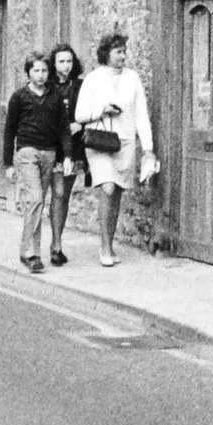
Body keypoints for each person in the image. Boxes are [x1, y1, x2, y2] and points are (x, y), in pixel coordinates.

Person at [72, 30, 156, 268]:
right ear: (106, 54)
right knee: (108, 188)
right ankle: (105, 247)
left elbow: (141, 115)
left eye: (124, 51)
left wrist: (148, 148)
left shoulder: (133, 78)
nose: (123, 56)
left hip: (124, 142)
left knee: (117, 192)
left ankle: (109, 242)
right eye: (118, 52)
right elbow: (80, 114)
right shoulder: (93, 79)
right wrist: (102, 110)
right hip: (99, 141)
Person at [1, 52, 64, 273]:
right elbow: (9, 130)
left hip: (49, 153)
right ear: (28, 73)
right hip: (27, 152)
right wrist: (8, 163)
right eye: (36, 70)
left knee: (37, 203)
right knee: (35, 198)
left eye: (44, 71)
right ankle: (31, 253)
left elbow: (63, 129)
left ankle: (28, 249)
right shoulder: (19, 97)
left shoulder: (55, 97)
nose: (40, 75)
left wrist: (64, 158)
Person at [45, 43, 85, 267]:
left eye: (69, 61)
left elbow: (89, 110)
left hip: (73, 147)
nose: (66, 66)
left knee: (64, 195)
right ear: (54, 63)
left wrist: (80, 124)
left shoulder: (79, 86)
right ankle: (54, 244)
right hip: (52, 146)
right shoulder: (47, 86)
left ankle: (57, 242)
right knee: (57, 192)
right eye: (61, 61)